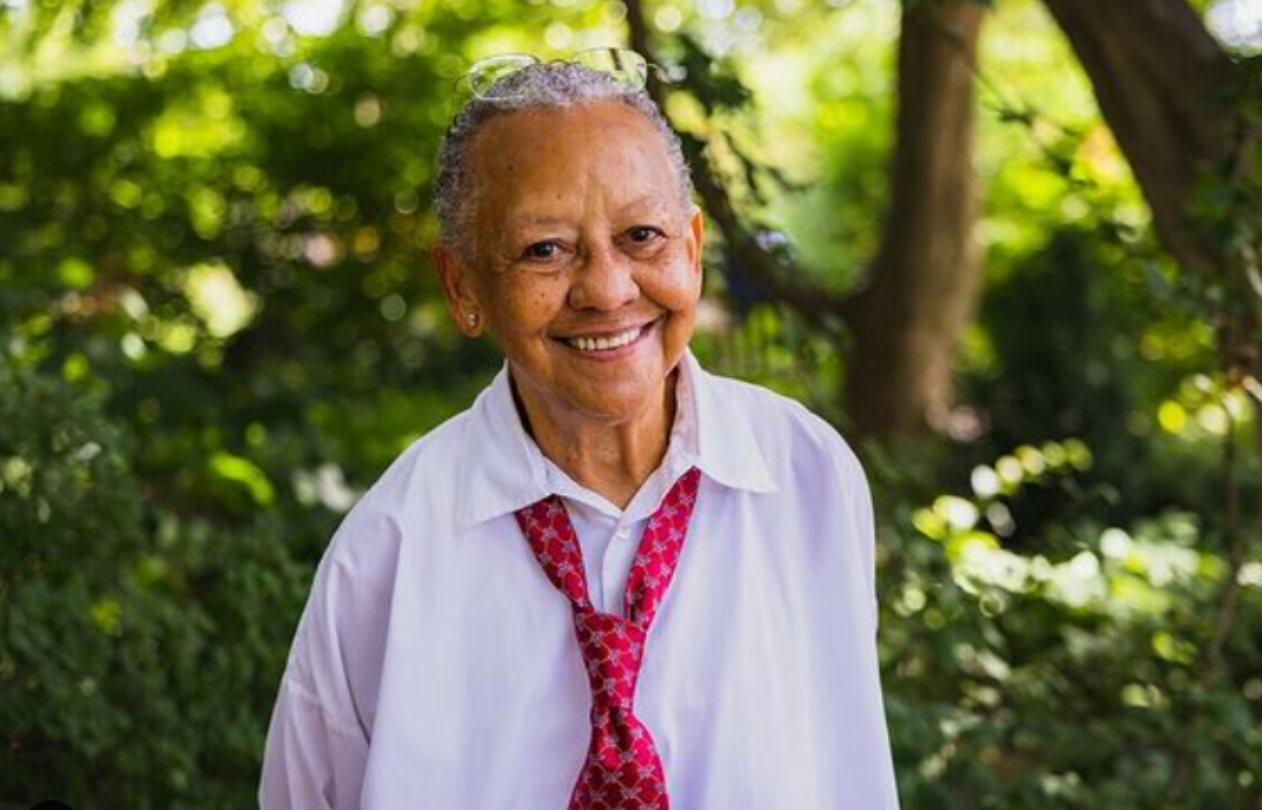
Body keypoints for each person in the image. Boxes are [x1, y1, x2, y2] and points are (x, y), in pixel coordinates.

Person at [258, 48, 900, 810]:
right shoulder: (388, 551)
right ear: (464, 286)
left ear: (692, 250)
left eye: (641, 237)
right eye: (546, 250)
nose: (606, 289)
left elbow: (850, 763)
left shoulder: (807, 475)